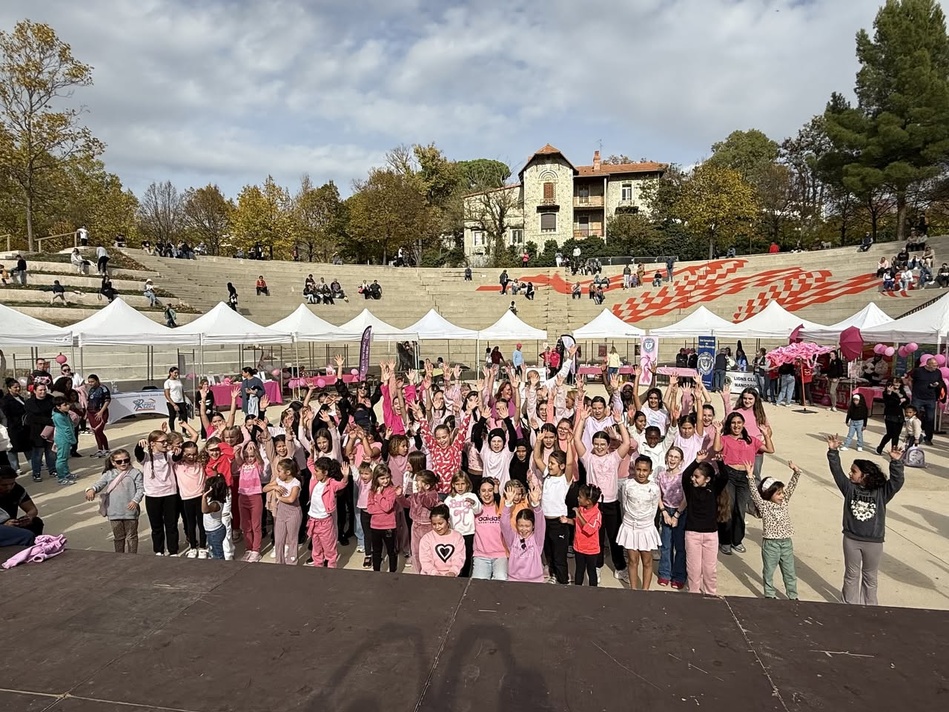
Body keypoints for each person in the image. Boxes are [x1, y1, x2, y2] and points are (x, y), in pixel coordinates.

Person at [826, 434, 904, 605]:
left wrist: (896, 463)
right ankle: (849, 606)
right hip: (851, 540)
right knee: (851, 575)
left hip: (874, 541)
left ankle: (870, 608)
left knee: (870, 576)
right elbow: (837, 472)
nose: (850, 473)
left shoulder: (882, 493)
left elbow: (896, 483)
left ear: (865, 475)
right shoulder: (849, 488)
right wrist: (833, 452)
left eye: (854, 471)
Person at [747, 461, 802, 599]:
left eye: (782, 493)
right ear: (769, 493)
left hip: (786, 543)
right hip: (771, 544)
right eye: (778, 493)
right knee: (769, 571)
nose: (782, 495)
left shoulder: (784, 502)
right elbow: (754, 494)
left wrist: (796, 472)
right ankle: (769, 594)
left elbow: (791, 487)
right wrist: (750, 477)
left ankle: (793, 595)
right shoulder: (764, 506)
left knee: (789, 571)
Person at [681, 452, 727, 594]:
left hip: (710, 535)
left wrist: (720, 463)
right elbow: (684, 475)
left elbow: (724, 477)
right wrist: (697, 460)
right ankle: (694, 594)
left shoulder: (713, 489)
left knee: (709, 569)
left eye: (697, 477)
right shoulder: (690, 489)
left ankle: (710, 594)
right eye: (693, 476)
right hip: (692, 534)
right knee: (694, 569)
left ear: (707, 479)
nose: (693, 478)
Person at [83, 450, 144, 554]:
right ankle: (119, 556)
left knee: (131, 536)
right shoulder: (109, 474)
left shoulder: (135, 473)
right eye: (119, 461)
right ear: (113, 462)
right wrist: (91, 489)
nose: (123, 463)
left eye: (126, 460)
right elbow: (99, 484)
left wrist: (135, 501)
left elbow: (141, 488)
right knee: (118, 537)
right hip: (114, 511)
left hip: (130, 511)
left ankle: (133, 557)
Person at [616, 455, 662, 590]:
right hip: (630, 526)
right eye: (638, 469)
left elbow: (654, 509)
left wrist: (645, 523)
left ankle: (645, 591)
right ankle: (634, 590)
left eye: (645, 470)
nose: (641, 473)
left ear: (650, 471)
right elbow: (624, 504)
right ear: (634, 469)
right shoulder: (627, 484)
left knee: (647, 561)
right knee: (632, 560)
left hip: (646, 528)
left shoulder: (654, 488)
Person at [500, 478, 545, 583]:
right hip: (514, 579)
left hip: (535, 581)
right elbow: (504, 524)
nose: (524, 529)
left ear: (533, 526)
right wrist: (507, 504)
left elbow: (540, 523)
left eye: (527, 526)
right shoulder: (512, 539)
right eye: (521, 526)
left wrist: (536, 505)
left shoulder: (537, 540)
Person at [656, 447, 687, 589]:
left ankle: (679, 575)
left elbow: (686, 498)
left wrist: (676, 514)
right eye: (670, 456)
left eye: (676, 457)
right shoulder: (661, 475)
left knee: (680, 546)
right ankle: (664, 573)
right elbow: (658, 495)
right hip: (666, 511)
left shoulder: (683, 476)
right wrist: (664, 512)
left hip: (680, 511)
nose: (672, 459)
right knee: (666, 544)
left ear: (681, 460)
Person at [263, 457, 302, 565]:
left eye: (279, 471)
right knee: (279, 539)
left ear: (288, 472)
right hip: (281, 512)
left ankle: (292, 562)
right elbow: (265, 488)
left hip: (293, 512)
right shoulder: (279, 480)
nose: (278, 473)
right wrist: (275, 486)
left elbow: (291, 499)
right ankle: (279, 562)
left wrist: (279, 497)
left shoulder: (295, 483)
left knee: (292, 539)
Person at [563, 483, 602, 586]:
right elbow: (577, 523)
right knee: (579, 570)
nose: (578, 498)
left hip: (591, 550)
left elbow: (590, 529)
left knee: (591, 571)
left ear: (588, 501)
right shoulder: (581, 509)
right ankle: (578, 590)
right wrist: (567, 520)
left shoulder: (596, 514)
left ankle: (593, 591)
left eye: (580, 497)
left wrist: (578, 514)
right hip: (579, 547)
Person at [366, 463, 400, 572]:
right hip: (375, 526)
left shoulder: (392, 490)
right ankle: (376, 571)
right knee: (376, 551)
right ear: (376, 478)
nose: (385, 481)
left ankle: (393, 572)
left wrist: (379, 496)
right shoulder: (372, 491)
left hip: (388, 527)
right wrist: (381, 509)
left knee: (391, 551)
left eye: (387, 478)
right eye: (382, 478)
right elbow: (369, 509)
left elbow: (387, 507)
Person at [471, 479, 507, 581]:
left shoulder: (501, 508)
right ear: (479, 493)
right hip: (481, 555)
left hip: (500, 555)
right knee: (478, 585)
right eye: (483, 491)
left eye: (490, 490)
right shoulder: (475, 510)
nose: (487, 494)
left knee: (501, 580)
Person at [418, 503, 466, 576]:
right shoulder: (426, 538)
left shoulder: (457, 537)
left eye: (440, 523)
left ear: (448, 521)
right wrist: (434, 573)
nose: (437, 527)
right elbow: (425, 561)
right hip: (430, 575)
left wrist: (453, 571)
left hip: (451, 576)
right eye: (434, 524)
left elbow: (459, 558)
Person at [0, 467, 42, 546]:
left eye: (12, 484)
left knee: (36, 522)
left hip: (11, 524)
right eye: (4, 485)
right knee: (27, 536)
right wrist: (4, 526)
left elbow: (32, 509)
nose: (9, 487)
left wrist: (28, 517)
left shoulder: (16, 489)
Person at [906, 356, 942, 444]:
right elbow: (909, 380)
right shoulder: (918, 371)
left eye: (936, 365)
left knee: (930, 418)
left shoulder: (938, 372)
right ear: (927, 365)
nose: (935, 367)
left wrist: (937, 384)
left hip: (931, 398)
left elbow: (940, 382)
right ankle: (912, 435)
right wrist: (912, 390)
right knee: (914, 418)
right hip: (918, 397)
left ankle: (928, 438)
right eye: (933, 365)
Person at [24, 383, 56, 482]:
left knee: (50, 452)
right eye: (40, 390)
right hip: (36, 431)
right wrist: (49, 420)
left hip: (50, 429)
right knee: (37, 453)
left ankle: (52, 469)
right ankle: (36, 473)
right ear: (34, 391)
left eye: (44, 390)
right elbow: (32, 417)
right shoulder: (30, 402)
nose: (43, 392)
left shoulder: (51, 399)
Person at [1, 379, 29, 472]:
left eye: (18, 387)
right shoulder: (5, 401)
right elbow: (6, 415)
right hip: (13, 427)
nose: (17, 389)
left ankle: (33, 464)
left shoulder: (20, 398)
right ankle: (15, 467)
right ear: (9, 388)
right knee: (12, 449)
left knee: (27, 447)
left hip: (23, 427)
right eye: (15, 387)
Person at [201, 474, 231, 560]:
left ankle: (221, 571)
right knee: (213, 551)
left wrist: (204, 497)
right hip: (213, 531)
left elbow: (204, 510)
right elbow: (219, 479)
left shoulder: (215, 504)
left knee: (217, 555)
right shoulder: (214, 500)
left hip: (215, 532)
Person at [51, 396, 77, 485]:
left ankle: (66, 473)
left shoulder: (64, 413)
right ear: (58, 407)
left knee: (65, 458)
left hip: (66, 437)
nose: (68, 406)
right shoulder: (58, 416)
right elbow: (66, 429)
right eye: (65, 405)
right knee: (61, 458)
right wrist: (72, 440)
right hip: (63, 438)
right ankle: (61, 477)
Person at [86, 374, 111, 457]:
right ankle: (100, 449)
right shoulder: (91, 390)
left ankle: (106, 449)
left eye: (92, 381)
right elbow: (89, 401)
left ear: (97, 380)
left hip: (100, 412)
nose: (90, 383)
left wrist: (101, 412)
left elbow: (107, 400)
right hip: (91, 412)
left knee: (99, 430)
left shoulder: (103, 389)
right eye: (89, 382)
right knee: (95, 431)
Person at [163, 367, 187, 432]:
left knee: (184, 417)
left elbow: (182, 391)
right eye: (175, 373)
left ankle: (184, 431)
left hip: (181, 401)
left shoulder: (178, 381)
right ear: (171, 373)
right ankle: (173, 431)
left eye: (177, 373)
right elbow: (167, 394)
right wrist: (174, 405)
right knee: (172, 417)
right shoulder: (167, 382)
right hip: (172, 402)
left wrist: (184, 401)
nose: (176, 374)